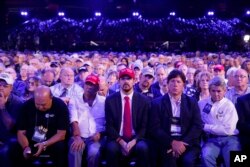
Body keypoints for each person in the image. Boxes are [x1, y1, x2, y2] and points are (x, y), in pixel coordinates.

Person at [149, 69, 203, 167]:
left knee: (187, 161)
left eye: (178, 82)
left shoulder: (192, 102)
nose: (175, 84)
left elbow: (197, 126)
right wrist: (172, 142)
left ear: (183, 85)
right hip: (166, 143)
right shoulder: (157, 103)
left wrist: (182, 143)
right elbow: (155, 128)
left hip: (187, 143)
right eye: (172, 81)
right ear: (168, 83)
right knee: (169, 162)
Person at [105, 68, 150, 167]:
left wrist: (134, 141)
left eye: (129, 79)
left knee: (143, 148)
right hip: (117, 137)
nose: (126, 81)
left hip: (136, 138)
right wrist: (121, 142)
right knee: (111, 148)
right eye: (123, 79)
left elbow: (144, 126)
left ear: (134, 81)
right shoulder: (110, 100)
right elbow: (109, 126)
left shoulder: (143, 101)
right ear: (119, 81)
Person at [17, 85, 69, 167]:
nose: (40, 107)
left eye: (44, 104)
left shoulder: (60, 106)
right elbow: (21, 132)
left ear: (51, 97)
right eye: (37, 104)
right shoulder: (26, 106)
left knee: (60, 147)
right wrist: (25, 147)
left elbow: (61, 134)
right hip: (31, 141)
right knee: (16, 147)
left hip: (52, 141)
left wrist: (45, 144)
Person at [198, 76, 241, 167]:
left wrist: (206, 127)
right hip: (211, 139)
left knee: (235, 159)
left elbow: (228, 129)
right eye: (213, 91)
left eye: (219, 91)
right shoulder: (201, 104)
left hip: (230, 138)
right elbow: (198, 122)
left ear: (225, 91)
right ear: (209, 91)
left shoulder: (229, 105)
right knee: (206, 156)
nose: (216, 94)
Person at [68, 74, 105, 167]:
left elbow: (108, 122)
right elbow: (73, 119)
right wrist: (77, 137)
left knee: (94, 152)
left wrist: (100, 134)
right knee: (75, 149)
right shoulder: (75, 100)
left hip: (96, 138)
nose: (89, 87)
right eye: (87, 84)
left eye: (92, 85)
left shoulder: (104, 101)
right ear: (83, 85)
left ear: (97, 88)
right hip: (78, 135)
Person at [0, 72, 23, 167]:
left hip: (9, 139)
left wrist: (2, 107)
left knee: (4, 152)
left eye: (5, 86)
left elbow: (11, 127)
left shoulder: (18, 103)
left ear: (11, 88)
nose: (1, 88)